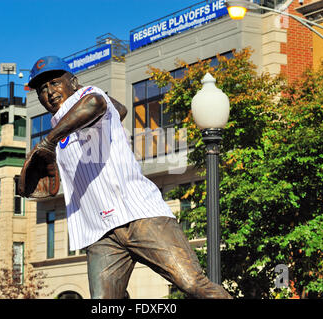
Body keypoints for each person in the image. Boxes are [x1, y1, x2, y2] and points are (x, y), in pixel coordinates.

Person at [27, 56, 232, 299]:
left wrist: (47, 141)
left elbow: (96, 103)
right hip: (101, 233)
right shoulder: (59, 132)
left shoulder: (88, 98)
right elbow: (121, 110)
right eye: (42, 89)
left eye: (55, 83)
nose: (50, 92)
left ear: (72, 82)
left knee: (194, 285)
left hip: (140, 215)